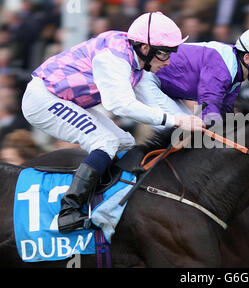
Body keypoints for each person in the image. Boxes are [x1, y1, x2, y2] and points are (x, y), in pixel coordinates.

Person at [21, 12, 205, 233]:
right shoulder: (114, 58)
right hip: (43, 99)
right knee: (106, 141)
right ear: (146, 49)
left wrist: (194, 126)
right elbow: (121, 105)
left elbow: (156, 104)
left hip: (67, 99)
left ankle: (103, 199)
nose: (168, 62)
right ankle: (69, 211)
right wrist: (176, 120)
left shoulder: (137, 59)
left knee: (125, 142)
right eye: (165, 54)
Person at [155, 26, 249, 125]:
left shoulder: (236, 73)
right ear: (248, 58)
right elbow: (210, 113)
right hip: (149, 78)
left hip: (166, 90)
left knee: (189, 127)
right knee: (182, 129)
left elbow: (225, 113)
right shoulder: (221, 67)